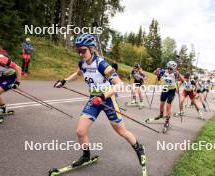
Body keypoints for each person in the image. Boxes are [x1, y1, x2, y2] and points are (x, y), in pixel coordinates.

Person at [54, 34, 146, 168]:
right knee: (80, 131)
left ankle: (139, 148)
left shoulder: (102, 64)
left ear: (91, 49)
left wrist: (102, 97)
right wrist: (64, 81)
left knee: (121, 131)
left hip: (107, 100)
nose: (80, 54)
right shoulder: (82, 63)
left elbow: (119, 84)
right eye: (78, 51)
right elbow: (79, 73)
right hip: (94, 100)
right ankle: (86, 156)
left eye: (83, 50)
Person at [153, 61, 183, 127]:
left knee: (168, 106)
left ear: (174, 69)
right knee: (161, 104)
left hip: (172, 90)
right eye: (168, 68)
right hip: (165, 88)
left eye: (171, 69)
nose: (169, 70)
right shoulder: (164, 71)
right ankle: (161, 114)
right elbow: (155, 73)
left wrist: (179, 75)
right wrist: (157, 70)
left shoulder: (175, 74)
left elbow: (182, 80)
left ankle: (167, 121)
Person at [0, 45, 22, 123]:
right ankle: (2, 109)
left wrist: (17, 82)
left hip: (12, 76)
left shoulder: (0, 59)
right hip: (4, 76)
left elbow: (18, 68)